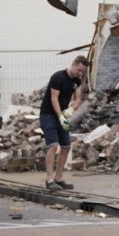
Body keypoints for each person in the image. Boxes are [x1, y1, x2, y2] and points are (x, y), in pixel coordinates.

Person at [39, 55, 89, 191]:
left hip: (62, 115)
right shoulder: (58, 77)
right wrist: (60, 116)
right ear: (73, 64)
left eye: (82, 72)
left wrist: (71, 109)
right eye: (79, 70)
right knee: (53, 145)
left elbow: (78, 99)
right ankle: (49, 180)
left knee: (66, 147)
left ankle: (59, 178)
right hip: (48, 115)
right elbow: (54, 99)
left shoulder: (77, 81)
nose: (80, 74)